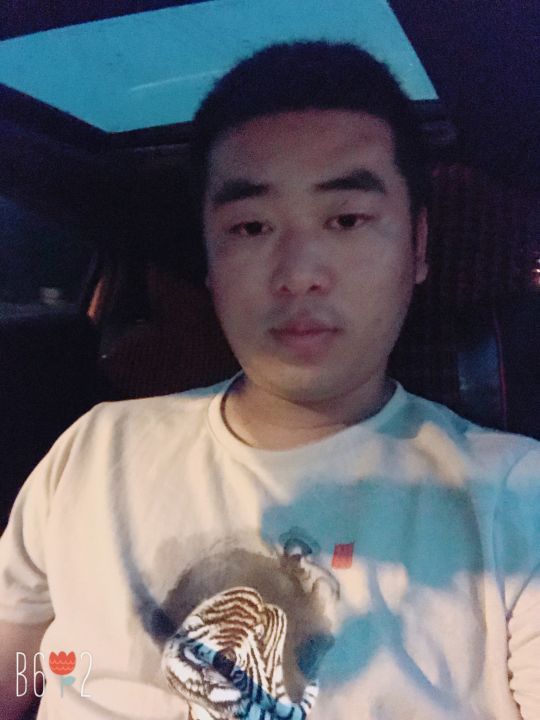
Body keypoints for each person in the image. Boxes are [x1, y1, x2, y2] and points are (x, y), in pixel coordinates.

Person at [0, 41, 539, 720]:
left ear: (419, 245)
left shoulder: (514, 499)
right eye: (251, 226)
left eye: (346, 219)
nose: (299, 273)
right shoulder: (94, 450)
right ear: (210, 260)